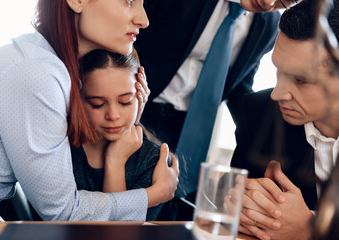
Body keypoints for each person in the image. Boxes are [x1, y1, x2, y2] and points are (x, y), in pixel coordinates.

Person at [0, 0, 179, 221]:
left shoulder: (42, 63)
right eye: (129, 2)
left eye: (125, 101)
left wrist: (128, 119)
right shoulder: (36, 74)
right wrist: (153, 195)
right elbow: (63, 212)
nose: (143, 19)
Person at [134, 0, 293, 219]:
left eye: (283, 2)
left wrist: (268, 139)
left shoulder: (268, 27)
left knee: (172, 208)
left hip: (192, 126)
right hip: (141, 109)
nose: (267, 2)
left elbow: (241, 85)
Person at [231, 0, 339, 239]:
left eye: (300, 80)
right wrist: (242, 209)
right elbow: (240, 218)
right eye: (278, 71)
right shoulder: (257, 113)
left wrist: (311, 230)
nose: (276, 94)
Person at [71, 49, 174, 221]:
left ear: (141, 97)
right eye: (97, 104)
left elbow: (118, 235)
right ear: (77, 100)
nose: (113, 115)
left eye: (125, 102)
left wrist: (115, 162)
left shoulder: (153, 160)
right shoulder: (59, 148)